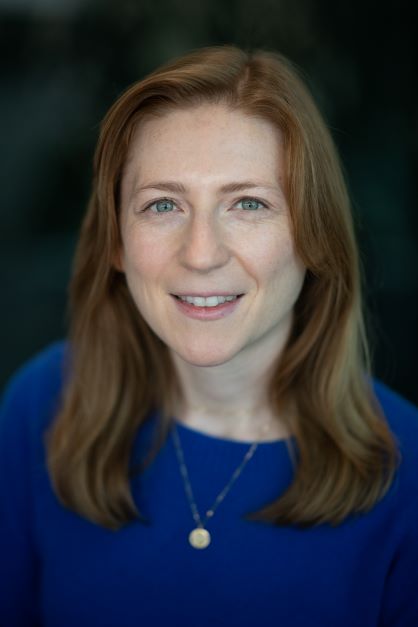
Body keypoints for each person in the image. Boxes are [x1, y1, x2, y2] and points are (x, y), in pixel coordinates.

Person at [0, 44, 417, 627]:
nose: (201, 254)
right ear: (117, 241)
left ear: (313, 236)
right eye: (163, 204)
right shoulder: (41, 405)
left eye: (248, 203)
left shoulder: (408, 468)